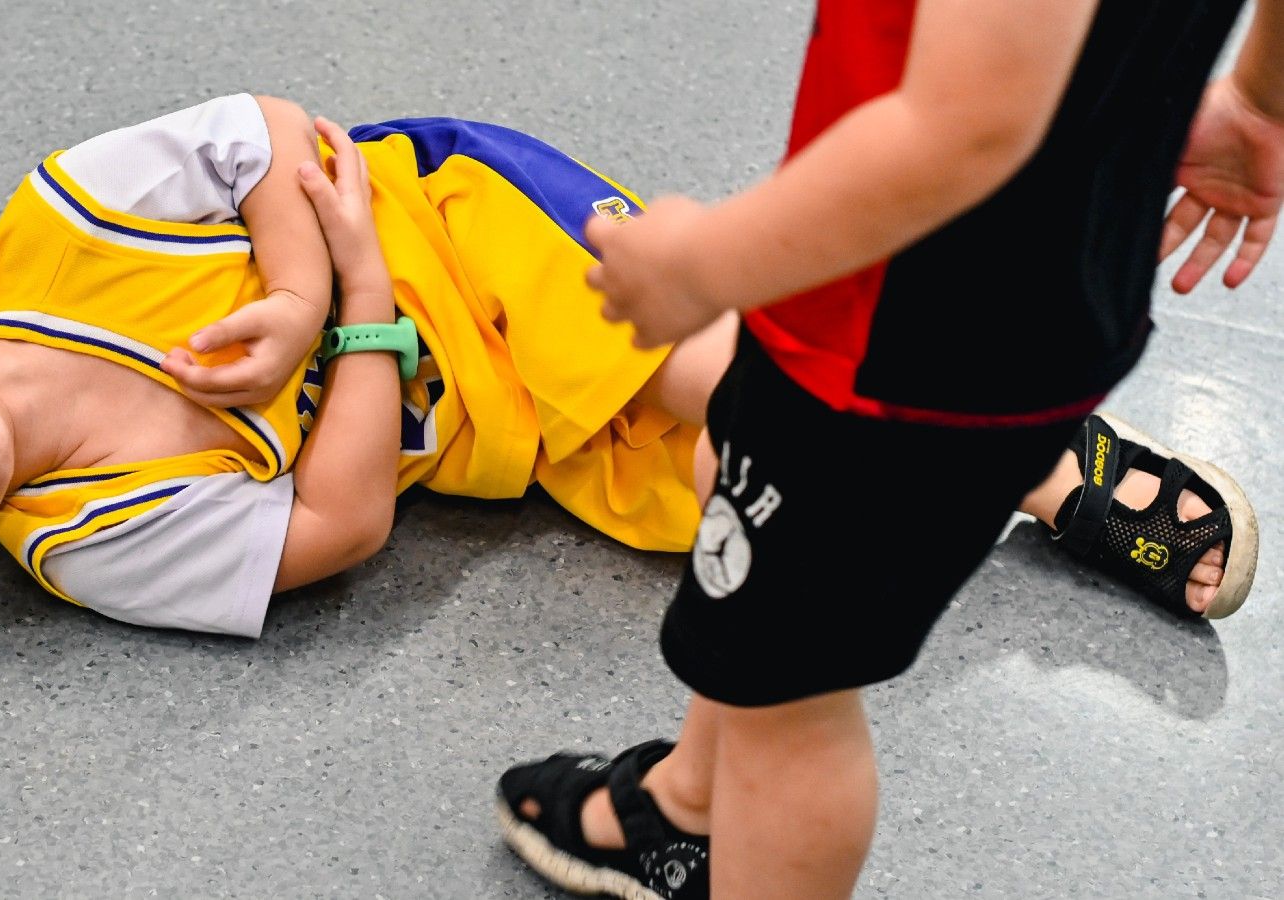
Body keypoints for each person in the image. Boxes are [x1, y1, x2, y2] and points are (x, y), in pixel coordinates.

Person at [0, 94, 1249, 647]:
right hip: (487, 431)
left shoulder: (63, 214)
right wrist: (343, 303)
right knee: (741, 514)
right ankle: (995, 462)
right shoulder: (82, 545)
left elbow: (272, 136)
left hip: (467, 225)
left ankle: (1052, 456)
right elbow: (338, 529)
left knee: (721, 389)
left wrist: (304, 268)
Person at [495, 0, 1281, 898]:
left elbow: (968, 126)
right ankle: (687, 804)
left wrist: (699, 267)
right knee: (742, 513)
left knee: (789, 711)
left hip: (894, 323)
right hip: (1028, 271)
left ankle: (722, 832)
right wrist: (1263, 97)